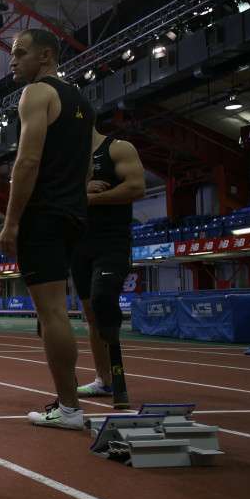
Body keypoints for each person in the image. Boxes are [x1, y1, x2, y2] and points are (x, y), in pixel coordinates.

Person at [0, 28, 96, 431]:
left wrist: (11, 221)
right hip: (74, 213)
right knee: (59, 312)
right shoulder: (83, 103)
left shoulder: (36, 94)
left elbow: (27, 161)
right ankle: (69, 402)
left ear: (46, 56)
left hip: (43, 215)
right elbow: (88, 166)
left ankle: (70, 408)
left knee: (52, 314)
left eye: (21, 53)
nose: (12, 61)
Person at [72, 128, 146, 410]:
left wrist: (92, 199)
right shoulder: (69, 158)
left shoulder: (118, 148)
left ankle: (117, 376)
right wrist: (81, 191)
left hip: (112, 241)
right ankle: (103, 379)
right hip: (79, 244)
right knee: (90, 314)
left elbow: (136, 187)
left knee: (103, 298)